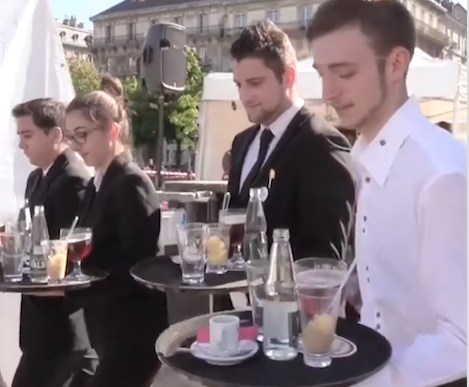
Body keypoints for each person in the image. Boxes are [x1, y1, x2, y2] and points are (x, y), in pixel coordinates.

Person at [307, 1, 466, 386]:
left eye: (344, 72)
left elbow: (463, 340)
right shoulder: (369, 157)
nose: (328, 91)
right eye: (322, 73)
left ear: (396, 64)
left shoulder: (441, 174)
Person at [64, 76, 168, 387]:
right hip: (110, 325)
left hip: (133, 330)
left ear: (113, 130)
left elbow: (142, 267)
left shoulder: (130, 181)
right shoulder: (101, 180)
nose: (74, 146)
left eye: (81, 135)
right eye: (70, 136)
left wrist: (83, 279)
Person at [228, 21, 356, 260]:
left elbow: (323, 262)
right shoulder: (242, 143)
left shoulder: (323, 146)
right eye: (239, 85)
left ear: (287, 77)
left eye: (255, 83)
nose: (244, 96)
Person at [11, 98, 94, 387]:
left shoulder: (74, 179)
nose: (21, 145)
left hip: (63, 331)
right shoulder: (36, 177)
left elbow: (70, 260)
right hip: (41, 329)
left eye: (27, 135)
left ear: (56, 135)